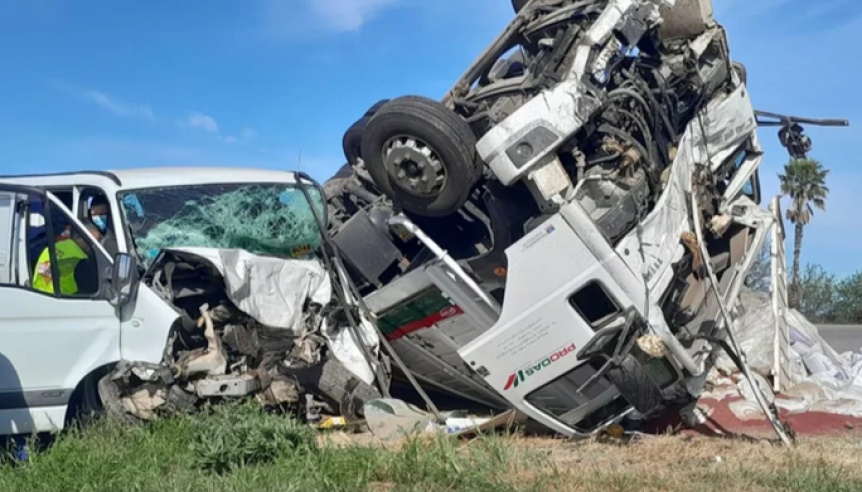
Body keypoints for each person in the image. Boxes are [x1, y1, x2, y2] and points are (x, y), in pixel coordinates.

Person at [32, 221, 102, 296]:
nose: (97, 246)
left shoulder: (51, 249)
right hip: (64, 301)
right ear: (79, 237)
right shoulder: (81, 260)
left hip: (39, 295)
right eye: (94, 241)